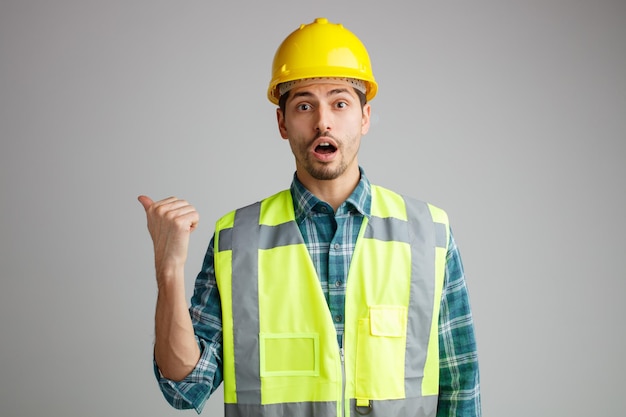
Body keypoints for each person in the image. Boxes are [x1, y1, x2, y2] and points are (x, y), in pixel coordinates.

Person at [138, 17, 481, 417]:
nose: (323, 121)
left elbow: (461, 389)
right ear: (282, 123)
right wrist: (169, 270)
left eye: (340, 103)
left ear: (365, 117)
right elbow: (185, 388)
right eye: (304, 105)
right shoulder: (237, 240)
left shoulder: (429, 234)